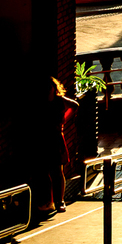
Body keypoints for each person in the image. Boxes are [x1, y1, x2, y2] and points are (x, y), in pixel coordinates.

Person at [37, 77, 78, 216]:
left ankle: (60, 201)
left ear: (54, 88)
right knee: (45, 171)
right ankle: (50, 201)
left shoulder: (59, 100)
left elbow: (75, 105)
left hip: (55, 138)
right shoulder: (41, 103)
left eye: (50, 88)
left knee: (57, 170)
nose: (48, 91)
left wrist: (64, 119)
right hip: (43, 138)